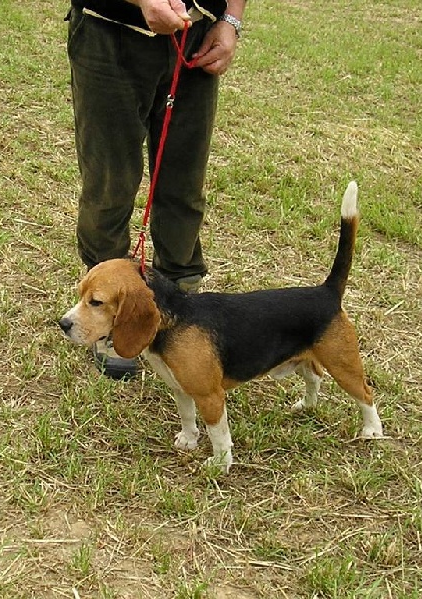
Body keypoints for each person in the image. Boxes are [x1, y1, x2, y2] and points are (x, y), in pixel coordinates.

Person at [66, 0, 246, 379]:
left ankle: (179, 304)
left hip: (197, 37)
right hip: (111, 32)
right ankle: (106, 312)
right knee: (110, 185)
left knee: (183, 183)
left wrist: (230, 21)